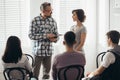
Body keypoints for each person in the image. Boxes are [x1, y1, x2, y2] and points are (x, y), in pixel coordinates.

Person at [28, 2, 59, 79]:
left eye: (51, 10)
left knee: (47, 74)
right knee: (35, 74)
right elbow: (31, 35)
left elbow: (57, 35)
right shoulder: (34, 21)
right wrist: (46, 36)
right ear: (43, 11)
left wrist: (55, 39)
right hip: (37, 52)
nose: (51, 12)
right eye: (49, 10)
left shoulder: (53, 21)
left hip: (49, 52)